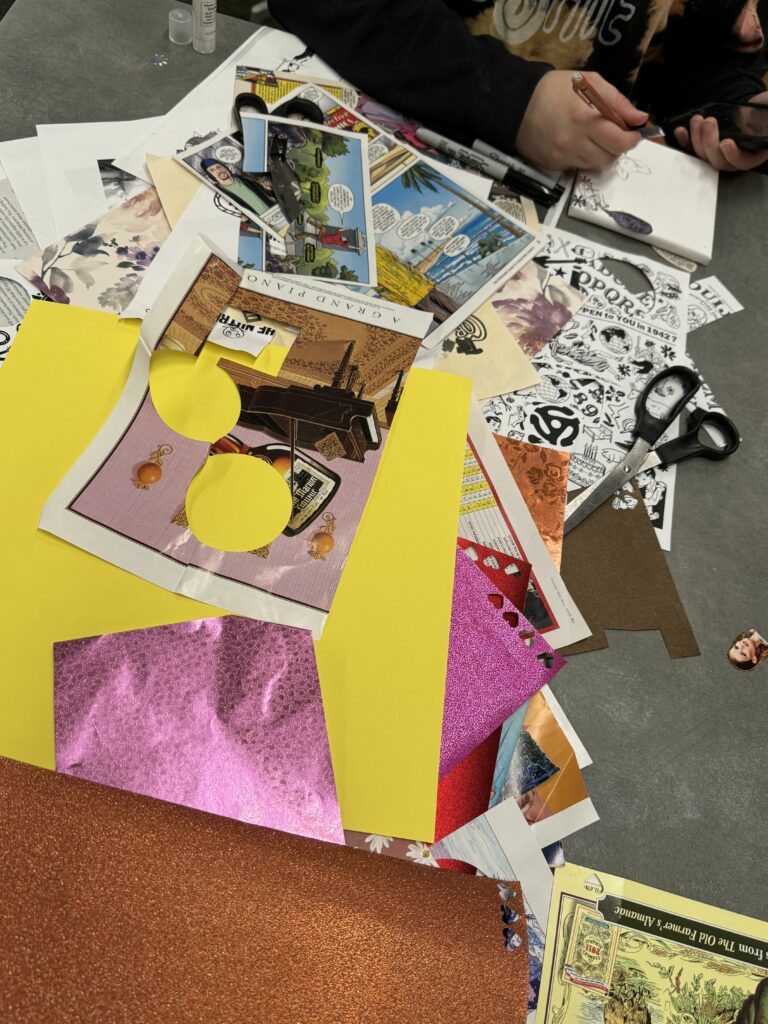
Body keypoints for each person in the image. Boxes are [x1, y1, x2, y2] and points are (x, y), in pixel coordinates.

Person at [268, 0, 768, 172]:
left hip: (584, 190)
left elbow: (700, 55)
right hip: (379, 112)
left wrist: (735, 110)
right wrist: (511, 98)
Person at [200, 158, 272, 217]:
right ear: (211, 175)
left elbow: (268, 194)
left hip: (273, 211)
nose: (218, 170)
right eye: (212, 170)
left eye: (218, 167)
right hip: (260, 222)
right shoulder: (218, 194)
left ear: (225, 167)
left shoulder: (245, 178)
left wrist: (269, 189)